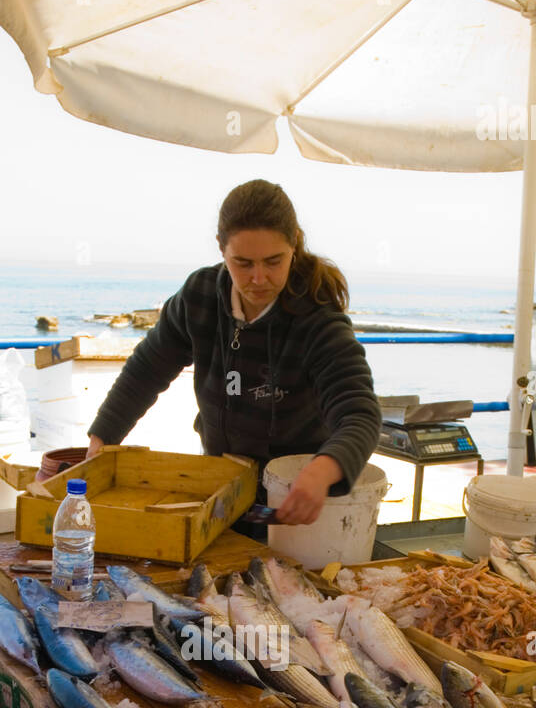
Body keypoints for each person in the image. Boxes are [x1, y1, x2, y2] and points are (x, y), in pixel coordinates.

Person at [82, 180, 381, 526]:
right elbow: (146, 370)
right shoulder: (199, 295)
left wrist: (322, 471)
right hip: (221, 489)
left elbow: (360, 415)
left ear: (294, 244)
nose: (258, 278)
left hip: (296, 503)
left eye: (273, 262)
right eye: (243, 263)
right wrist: (101, 440)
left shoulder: (318, 322)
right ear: (221, 249)